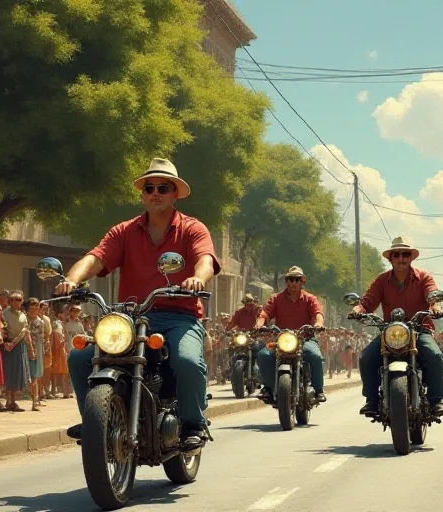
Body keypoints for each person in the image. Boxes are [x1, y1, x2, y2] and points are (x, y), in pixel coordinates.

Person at [57, 158, 220, 449]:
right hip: (131, 317)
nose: (155, 192)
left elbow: (205, 260)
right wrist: (72, 280)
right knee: (80, 358)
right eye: (149, 187)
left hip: (179, 316)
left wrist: (197, 278)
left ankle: (194, 423)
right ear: (142, 193)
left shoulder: (192, 229)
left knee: (186, 361)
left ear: (174, 194)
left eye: (162, 187)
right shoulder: (124, 231)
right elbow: (96, 257)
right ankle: (94, 421)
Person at [351, 236, 443, 417]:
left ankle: (436, 401)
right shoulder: (382, 281)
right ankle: (371, 400)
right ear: (391, 259)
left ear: (411, 257)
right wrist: (358, 309)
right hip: (390, 333)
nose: (401, 258)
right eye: (397, 254)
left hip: (419, 330)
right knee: (366, 357)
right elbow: (367, 302)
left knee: (434, 355)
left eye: (405, 254)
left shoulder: (424, 278)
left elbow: (432, 294)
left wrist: (435, 306)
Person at [253, 266, 327, 403]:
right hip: (282, 339)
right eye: (291, 279)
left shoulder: (310, 299)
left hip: (305, 338)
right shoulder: (276, 298)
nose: (294, 283)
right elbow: (265, 314)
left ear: (302, 281)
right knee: (263, 355)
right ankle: (268, 388)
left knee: (315, 355)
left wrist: (319, 323)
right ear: (287, 281)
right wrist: (260, 323)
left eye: (297, 279)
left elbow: (318, 313)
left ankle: (318, 390)